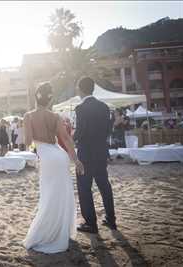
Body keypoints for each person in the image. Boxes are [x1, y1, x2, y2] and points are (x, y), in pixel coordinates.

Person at [23, 82, 83, 253]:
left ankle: (47, 231)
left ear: (36, 97)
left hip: (47, 157)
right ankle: (61, 230)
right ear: (49, 100)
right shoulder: (55, 116)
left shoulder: (28, 116)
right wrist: (76, 160)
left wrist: (31, 148)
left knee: (48, 195)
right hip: (60, 156)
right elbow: (66, 139)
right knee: (62, 194)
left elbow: (28, 142)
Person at [74, 77, 116, 234]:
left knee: (85, 188)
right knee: (104, 185)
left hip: (85, 154)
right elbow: (108, 129)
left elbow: (80, 131)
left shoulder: (81, 108)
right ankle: (111, 220)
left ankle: (91, 223)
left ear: (80, 89)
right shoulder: (104, 106)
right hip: (101, 151)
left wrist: (70, 138)